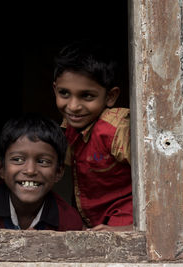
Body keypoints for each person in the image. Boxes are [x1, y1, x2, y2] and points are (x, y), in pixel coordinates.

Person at [53, 41, 132, 231]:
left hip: (127, 221)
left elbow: (160, 182)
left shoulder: (117, 129)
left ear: (110, 96)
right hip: (93, 223)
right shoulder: (67, 129)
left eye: (87, 96)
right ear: (55, 89)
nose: (73, 106)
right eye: (64, 93)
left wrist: (127, 230)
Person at [0, 113, 83, 231]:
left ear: (58, 172)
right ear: (1, 167)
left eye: (43, 161)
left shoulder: (68, 221)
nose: (30, 171)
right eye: (18, 160)